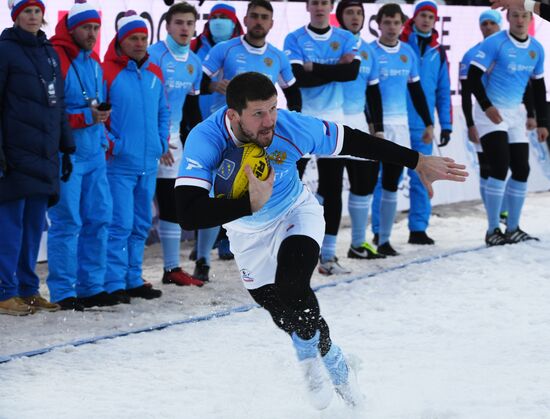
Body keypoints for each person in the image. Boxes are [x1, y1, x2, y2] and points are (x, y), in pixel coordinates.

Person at [175, 71, 467, 410]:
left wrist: (416, 161)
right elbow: (188, 213)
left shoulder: (290, 126)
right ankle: (337, 360)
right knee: (284, 314)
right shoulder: (206, 138)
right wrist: (247, 204)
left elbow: (356, 141)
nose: (269, 121)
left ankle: (314, 366)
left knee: (292, 285)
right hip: (245, 232)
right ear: (233, 115)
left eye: (273, 108)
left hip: (295, 214)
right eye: (258, 113)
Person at [198, 0, 302, 279]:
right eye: (254, 16)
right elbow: (198, 83)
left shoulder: (278, 56)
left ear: (271, 23)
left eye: (264, 17)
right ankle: (202, 260)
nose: (258, 21)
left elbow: (294, 92)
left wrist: (289, 126)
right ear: (245, 19)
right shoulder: (225, 49)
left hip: (258, 138)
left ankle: (253, 257)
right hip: (224, 134)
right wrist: (211, 85)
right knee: (214, 194)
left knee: (258, 193)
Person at [0, 0, 75, 315]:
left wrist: (66, 147)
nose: (33, 17)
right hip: (14, 154)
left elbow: (56, 105)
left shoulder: (49, 53)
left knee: (33, 227)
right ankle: (4, 292)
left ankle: (28, 289)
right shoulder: (4, 50)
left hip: (43, 155)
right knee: (9, 228)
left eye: (36, 11)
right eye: (26, 11)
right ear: (16, 16)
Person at [46, 0, 119, 311]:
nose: (91, 33)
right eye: (86, 28)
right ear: (71, 28)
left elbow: (96, 106)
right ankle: (63, 291)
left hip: (95, 153)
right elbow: (53, 112)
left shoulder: (94, 62)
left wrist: (103, 133)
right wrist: (88, 118)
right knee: (67, 221)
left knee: (100, 219)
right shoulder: (56, 59)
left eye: (95, 28)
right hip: (68, 155)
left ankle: (92, 286)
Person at [284, 0, 361, 275]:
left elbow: (350, 73)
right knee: (288, 190)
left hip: (333, 122)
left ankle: (328, 256)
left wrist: (312, 67)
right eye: (314, 2)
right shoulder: (294, 38)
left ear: (330, 7)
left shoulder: (345, 37)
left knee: (332, 188)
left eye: (324, 2)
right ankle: (286, 253)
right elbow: (296, 80)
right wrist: (331, 71)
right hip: (301, 121)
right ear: (308, 6)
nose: (319, 7)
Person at [102, 11, 168, 301]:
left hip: (148, 162)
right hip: (119, 165)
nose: (140, 43)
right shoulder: (107, 72)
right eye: (133, 38)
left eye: (143, 38)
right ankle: (114, 282)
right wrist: (114, 145)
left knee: (141, 223)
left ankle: (132, 277)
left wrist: (161, 141)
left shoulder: (155, 72)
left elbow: (163, 111)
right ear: (121, 40)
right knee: (119, 224)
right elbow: (99, 116)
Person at [468, 8, 548, 246]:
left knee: (522, 169)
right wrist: (486, 106)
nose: (520, 20)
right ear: (508, 19)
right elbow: (472, 77)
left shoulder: (537, 49)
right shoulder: (496, 43)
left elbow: (538, 87)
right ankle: (493, 229)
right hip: (489, 112)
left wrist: (541, 121)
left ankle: (513, 228)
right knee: (500, 166)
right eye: (515, 15)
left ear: (531, 19)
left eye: (524, 16)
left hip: (514, 114)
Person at [369, 3, 434, 256]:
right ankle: (368, 235)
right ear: (379, 24)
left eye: (396, 22)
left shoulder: (407, 53)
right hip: (375, 128)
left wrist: (428, 122)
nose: (392, 27)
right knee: (368, 182)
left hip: (401, 128)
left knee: (391, 183)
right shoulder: (370, 52)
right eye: (387, 22)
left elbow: (416, 92)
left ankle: (384, 239)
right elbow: (368, 93)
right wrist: (375, 125)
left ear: (402, 24)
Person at [148, 2, 204, 288]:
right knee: (138, 210)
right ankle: (122, 276)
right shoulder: (153, 56)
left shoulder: (194, 62)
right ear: (167, 26)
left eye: (189, 24)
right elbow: (145, 102)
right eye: (179, 23)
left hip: (174, 146)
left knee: (171, 204)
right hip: (150, 141)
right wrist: (158, 141)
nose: (184, 28)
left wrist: (197, 143)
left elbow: (192, 111)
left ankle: (171, 269)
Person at [190, 3, 244, 275]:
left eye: (225, 18)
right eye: (215, 18)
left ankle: (223, 239)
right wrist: (209, 85)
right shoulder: (196, 48)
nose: (219, 22)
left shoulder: (242, 49)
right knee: (207, 190)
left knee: (231, 189)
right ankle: (202, 255)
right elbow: (191, 84)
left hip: (235, 130)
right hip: (203, 126)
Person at [334, 0, 385, 261]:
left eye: (359, 13)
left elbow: (374, 93)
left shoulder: (369, 51)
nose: (355, 17)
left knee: (363, 185)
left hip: (360, 125)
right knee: (329, 191)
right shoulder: (330, 43)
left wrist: (378, 129)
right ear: (340, 16)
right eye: (349, 12)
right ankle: (324, 250)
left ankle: (357, 243)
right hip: (331, 124)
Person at [400, 0, 452, 245]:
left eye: (431, 17)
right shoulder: (398, 45)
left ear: (435, 21)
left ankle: (418, 228)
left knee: (424, 177)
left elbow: (443, 91)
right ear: (414, 18)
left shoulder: (438, 52)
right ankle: (381, 232)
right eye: (423, 15)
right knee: (387, 179)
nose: (426, 20)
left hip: (423, 126)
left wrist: (447, 124)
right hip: (396, 122)